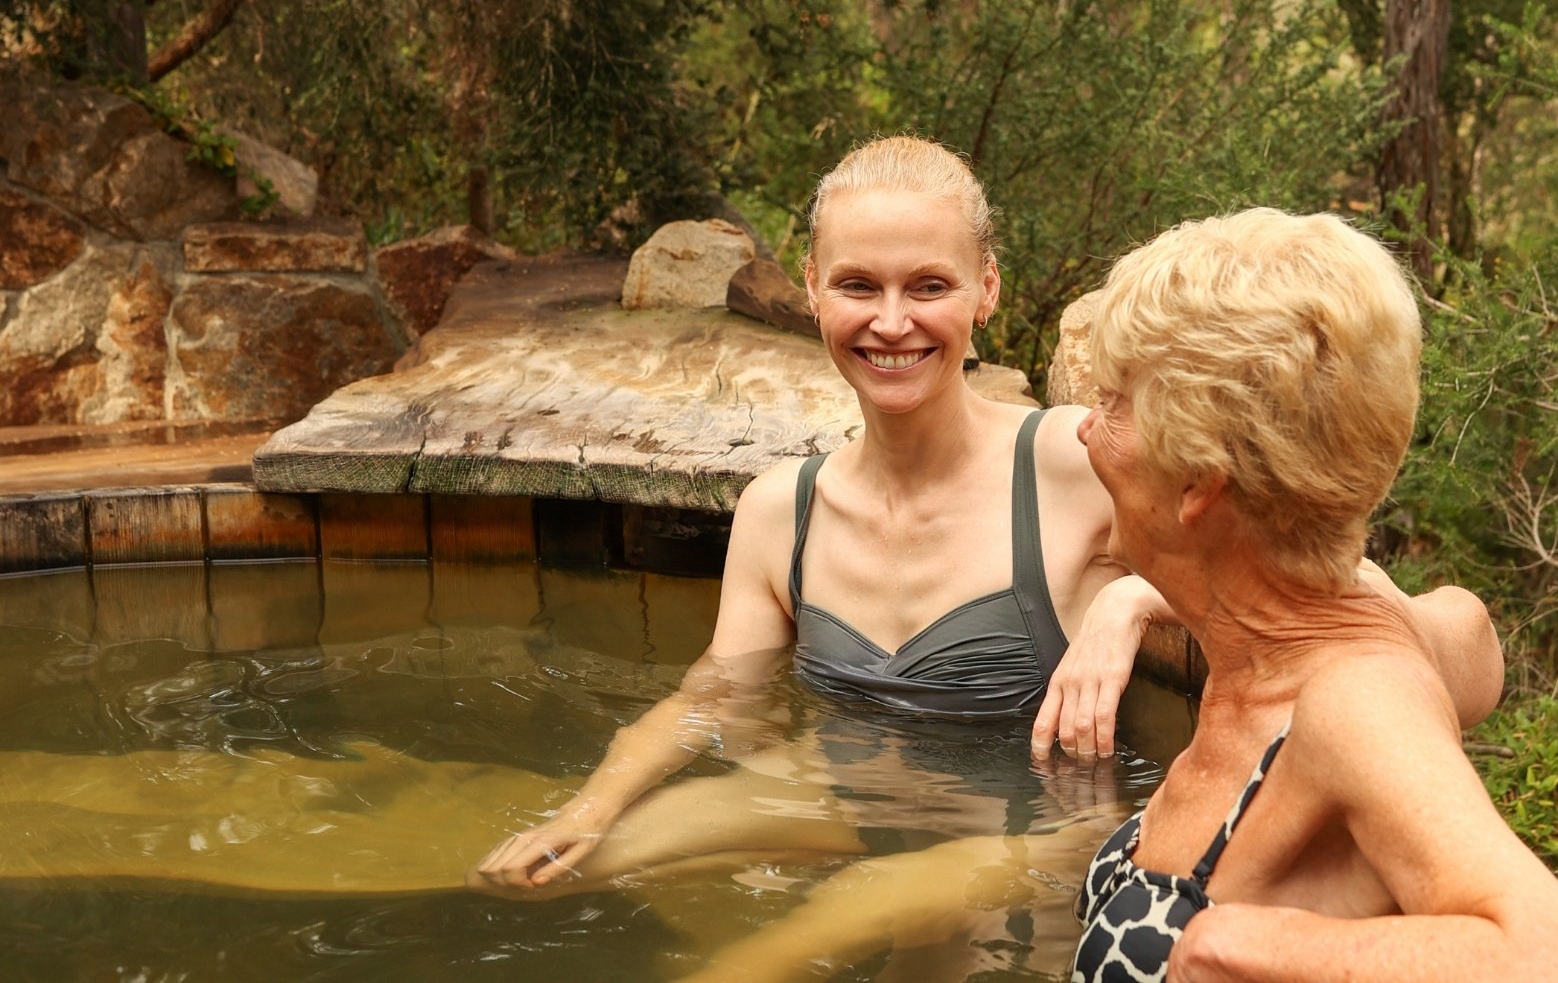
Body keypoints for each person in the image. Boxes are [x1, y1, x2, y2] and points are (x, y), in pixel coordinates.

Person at [469, 139, 1503, 935]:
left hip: (1029, 837)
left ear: (986, 291)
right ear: (813, 291)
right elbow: (714, 696)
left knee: (803, 943)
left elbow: (1306, 568)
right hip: (840, 802)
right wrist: (594, 801)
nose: (891, 322)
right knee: (571, 864)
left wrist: (1130, 596)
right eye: (858, 287)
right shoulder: (779, 509)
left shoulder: (1080, 455)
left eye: (928, 286)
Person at [1068, 207, 1558, 980]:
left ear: (1198, 481)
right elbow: (1473, 634)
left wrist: (1238, 947)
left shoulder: (1353, 701)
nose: (1087, 428)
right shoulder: (1348, 630)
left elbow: (1549, 963)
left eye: (1116, 402)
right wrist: (1134, 599)